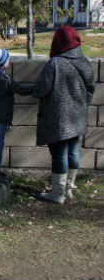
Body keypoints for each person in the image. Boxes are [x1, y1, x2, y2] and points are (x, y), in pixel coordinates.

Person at [33, 26, 95, 204]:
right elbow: (91, 88)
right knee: (73, 151)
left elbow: (42, 89)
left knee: (59, 154)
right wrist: (81, 103)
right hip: (78, 115)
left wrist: (32, 90)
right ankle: (68, 188)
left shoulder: (55, 64)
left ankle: (57, 193)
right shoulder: (83, 61)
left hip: (58, 117)